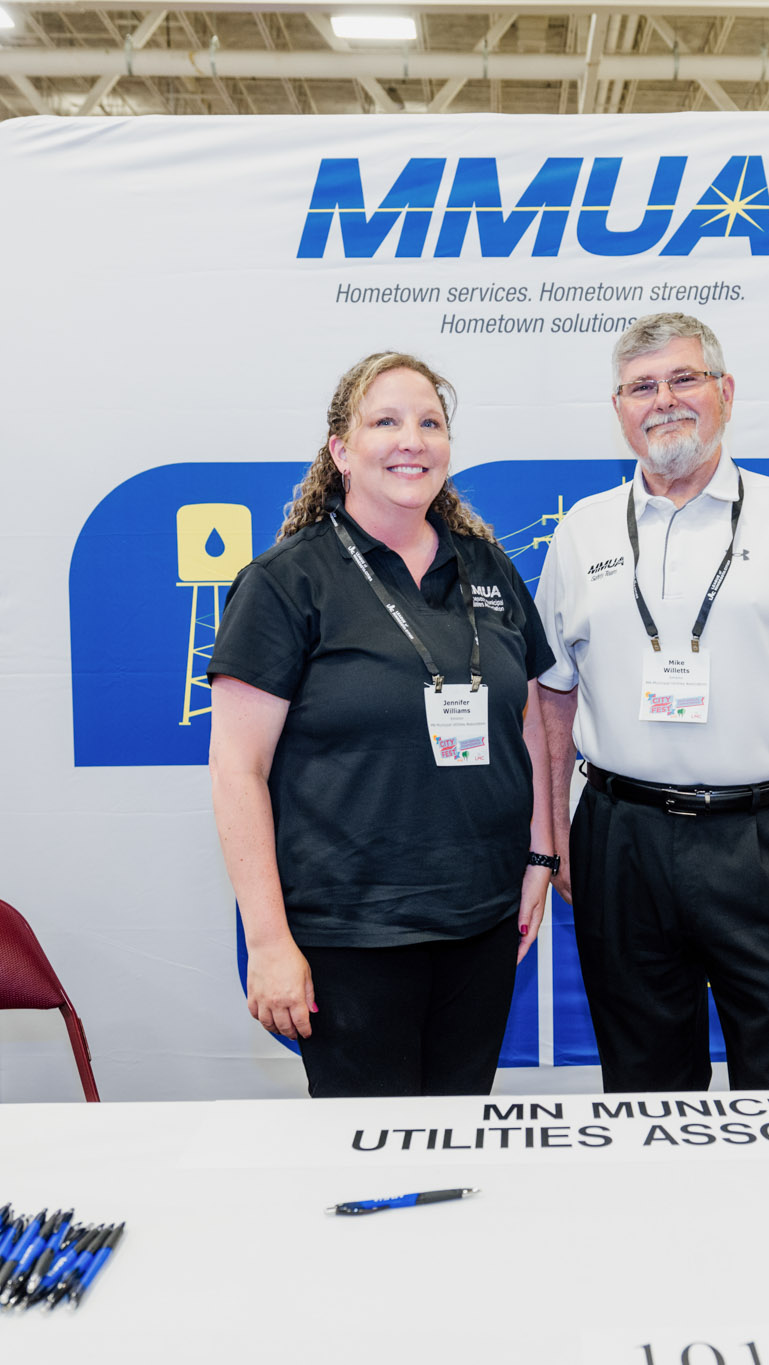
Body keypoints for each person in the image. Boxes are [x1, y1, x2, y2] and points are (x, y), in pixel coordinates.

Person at [535, 313, 769, 1094]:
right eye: (641, 387)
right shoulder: (581, 531)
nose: (663, 400)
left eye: (684, 378)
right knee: (643, 1088)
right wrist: (554, 830)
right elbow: (553, 695)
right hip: (620, 840)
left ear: (726, 392)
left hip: (765, 843)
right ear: (618, 408)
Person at [206, 352, 557, 1098]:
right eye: (386, 421)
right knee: (368, 1151)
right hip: (349, 937)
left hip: (482, 924)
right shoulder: (285, 582)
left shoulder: (488, 568)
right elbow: (238, 769)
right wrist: (268, 941)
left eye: (430, 422)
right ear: (341, 450)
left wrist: (540, 856)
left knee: (458, 1140)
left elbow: (527, 723)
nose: (412, 440)